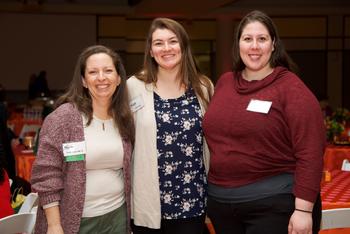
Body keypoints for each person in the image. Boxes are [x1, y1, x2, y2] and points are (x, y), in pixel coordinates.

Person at [202, 10, 326, 234]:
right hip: (222, 206)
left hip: (274, 205)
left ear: (274, 44)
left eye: (262, 39)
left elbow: (311, 151)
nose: (254, 46)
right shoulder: (225, 82)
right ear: (238, 44)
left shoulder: (291, 88)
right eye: (247, 39)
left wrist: (304, 210)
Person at [31, 45, 134, 234]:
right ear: (84, 81)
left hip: (117, 217)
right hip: (74, 221)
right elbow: (46, 175)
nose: (101, 77)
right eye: (93, 72)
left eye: (108, 70)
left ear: (119, 79)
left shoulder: (125, 118)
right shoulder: (64, 119)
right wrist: (54, 225)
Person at [127, 18, 213, 234]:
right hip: (148, 200)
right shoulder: (133, 87)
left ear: (183, 47)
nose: (166, 48)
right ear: (150, 50)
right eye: (158, 43)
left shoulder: (204, 87)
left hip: (192, 199)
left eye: (172, 41)